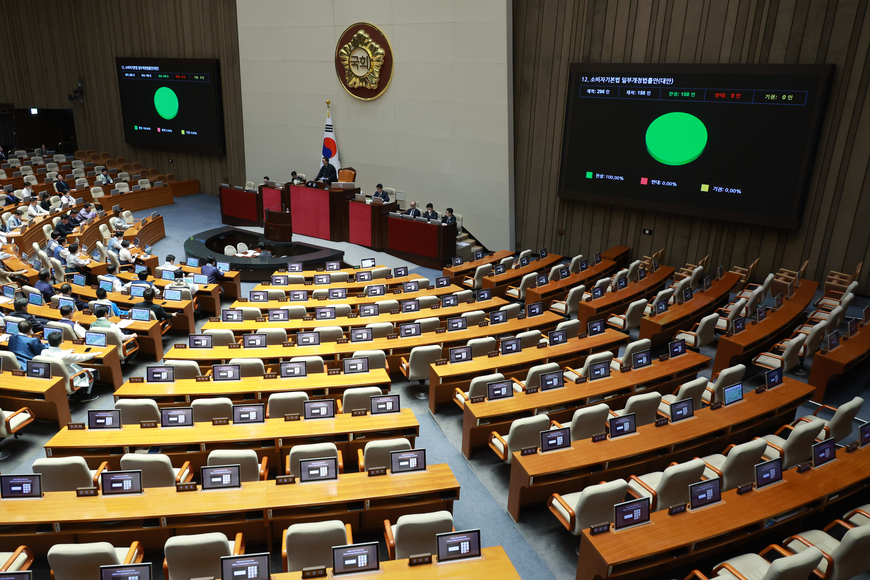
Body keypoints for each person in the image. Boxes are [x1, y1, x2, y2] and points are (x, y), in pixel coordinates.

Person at [42, 329, 98, 400]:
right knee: (91, 372)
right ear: (61, 341)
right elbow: (81, 357)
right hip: (70, 379)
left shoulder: (43, 352)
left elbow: (54, 353)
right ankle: (84, 396)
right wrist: (93, 354)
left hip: (54, 378)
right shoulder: (64, 356)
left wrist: (66, 351)